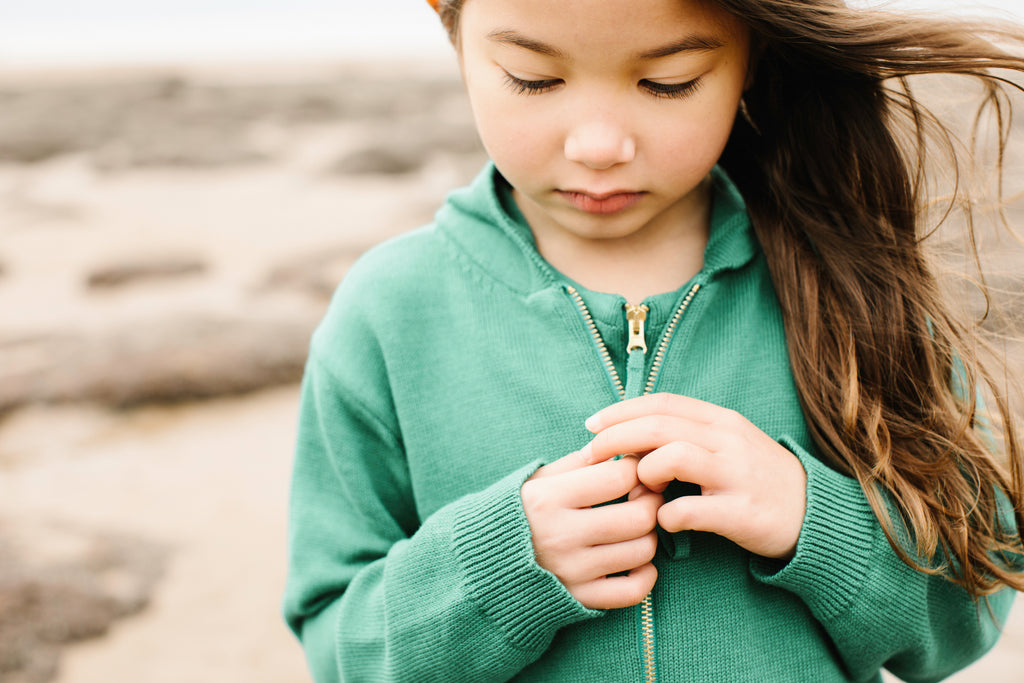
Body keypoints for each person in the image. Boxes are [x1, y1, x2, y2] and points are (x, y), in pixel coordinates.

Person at [283, 0, 1024, 679]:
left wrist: (814, 519)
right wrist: (495, 571)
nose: (599, 144)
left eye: (669, 82)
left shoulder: (855, 286)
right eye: (535, 79)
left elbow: (970, 612)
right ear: (450, 25)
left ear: (751, 55)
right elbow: (339, 646)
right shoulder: (391, 311)